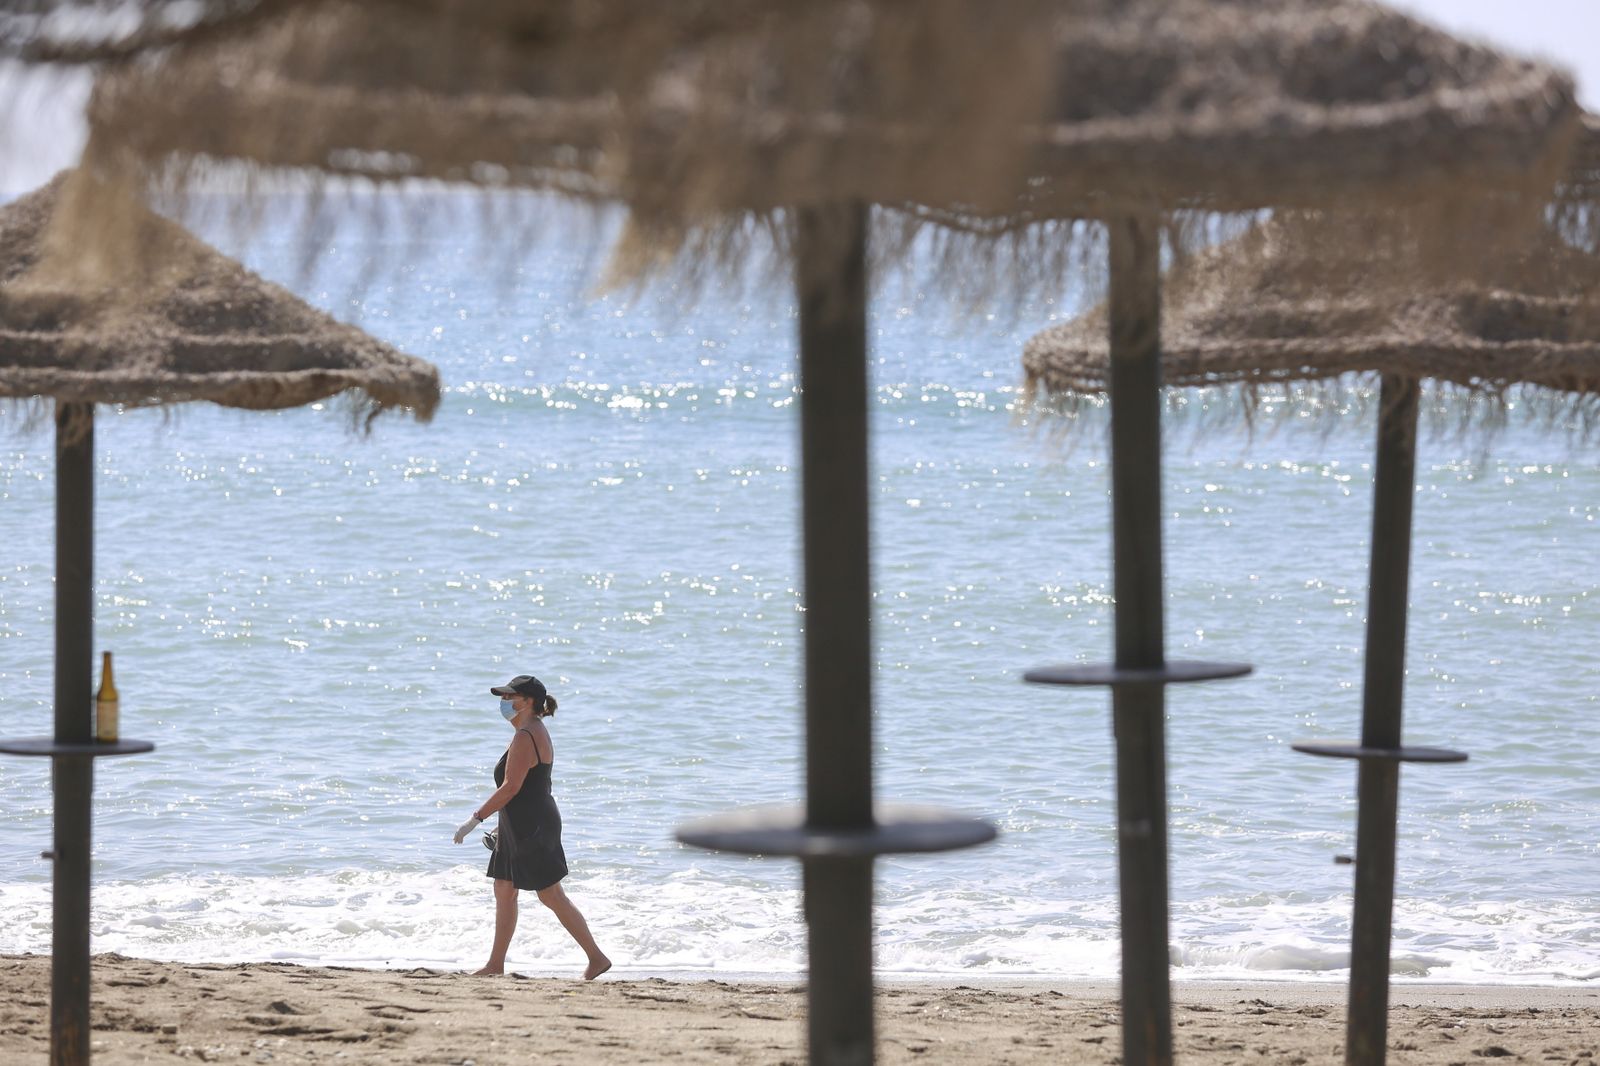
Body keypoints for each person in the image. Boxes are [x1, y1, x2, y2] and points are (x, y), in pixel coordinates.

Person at [452, 674, 611, 980]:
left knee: (550, 894)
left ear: (527, 702)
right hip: (522, 822)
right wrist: (502, 826)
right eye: (503, 697)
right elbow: (526, 790)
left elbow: (511, 788)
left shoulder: (527, 735)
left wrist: (474, 819)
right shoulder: (530, 730)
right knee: (504, 889)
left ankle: (596, 957)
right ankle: (495, 965)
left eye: (510, 697)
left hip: (533, 825)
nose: (504, 703)